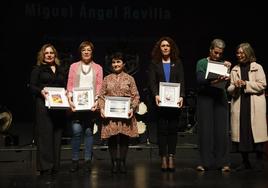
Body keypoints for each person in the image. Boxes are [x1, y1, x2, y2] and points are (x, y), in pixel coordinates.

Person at [227, 42, 267, 171]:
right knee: (242, 131)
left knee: (256, 132)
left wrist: (246, 84)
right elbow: (230, 89)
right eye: (238, 53)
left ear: (248, 53)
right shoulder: (234, 69)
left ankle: (259, 161)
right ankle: (245, 161)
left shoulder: (257, 67)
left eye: (242, 52)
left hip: (254, 102)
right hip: (240, 102)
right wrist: (236, 86)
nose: (239, 55)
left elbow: (262, 85)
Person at [98, 52, 140, 174]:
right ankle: (114, 163)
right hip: (110, 115)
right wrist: (101, 108)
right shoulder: (106, 79)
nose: (116, 64)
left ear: (123, 64)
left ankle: (122, 162)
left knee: (123, 138)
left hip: (125, 114)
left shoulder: (130, 78)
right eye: (114, 62)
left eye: (118, 62)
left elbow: (136, 96)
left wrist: (132, 107)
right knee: (112, 138)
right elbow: (101, 96)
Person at [29, 43, 67, 176]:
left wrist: (67, 94)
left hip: (59, 107)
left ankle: (55, 166)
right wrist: (41, 91)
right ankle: (45, 167)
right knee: (45, 136)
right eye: (47, 53)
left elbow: (65, 86)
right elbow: (32, 86)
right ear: (43, 55)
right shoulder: (38, 69)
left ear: (55, 55)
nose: (49, 55)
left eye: (51, 53)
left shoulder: (61, 69)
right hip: (43, 105)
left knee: (57, 135)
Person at [148, 36, 185, 172]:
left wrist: (181, 96)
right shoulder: (154, 63)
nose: (165, 48)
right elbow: (151, 81)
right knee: (162, 130)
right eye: (163, 45)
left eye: (167, 46)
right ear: (159, 48)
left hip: (174, 102)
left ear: (171, 48)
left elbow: (182, 80)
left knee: (172, 130)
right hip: (160, 102)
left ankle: (171, 157)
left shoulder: (177, 62)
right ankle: (163, 157)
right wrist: (156, 95)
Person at [66, 41, 103, 173]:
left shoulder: (98, 67)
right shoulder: (74, 66)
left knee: (88, 132)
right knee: (76, 132)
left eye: (89, 50)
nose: (86, 52)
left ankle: (87, 161)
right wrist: (70, 99)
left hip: (91, 105)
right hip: (76, 105)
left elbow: (99, 85)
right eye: (84, 50)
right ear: (80, 52)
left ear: (92, 52)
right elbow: (70, 84)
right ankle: (75, 161)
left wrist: (97, 101)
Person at [195, 38, 231, 172]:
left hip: (220, 97)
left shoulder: (224, 64)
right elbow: (199, 80)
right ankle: (204, 162)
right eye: (215, 53)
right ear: (210, 50)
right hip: (205, 97)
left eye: (220, 54)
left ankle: (223, 162)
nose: (218, 56)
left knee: (222, 131)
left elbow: (228, 82)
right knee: (205, 130)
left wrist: (227, 73)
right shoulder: (202, 62)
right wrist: (213, 80)